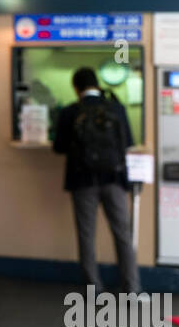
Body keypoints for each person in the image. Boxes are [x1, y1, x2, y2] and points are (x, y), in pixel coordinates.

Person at [52, 67, 140, 294]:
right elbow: (127, 142)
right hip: (115, 179)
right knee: (123, 234)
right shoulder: (116, 108)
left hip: (82, 181)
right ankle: (132, 288)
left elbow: (59, 147)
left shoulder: (71, 112)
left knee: (86, 235)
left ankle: (94, 289)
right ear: (97, 84)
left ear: (76, 88)